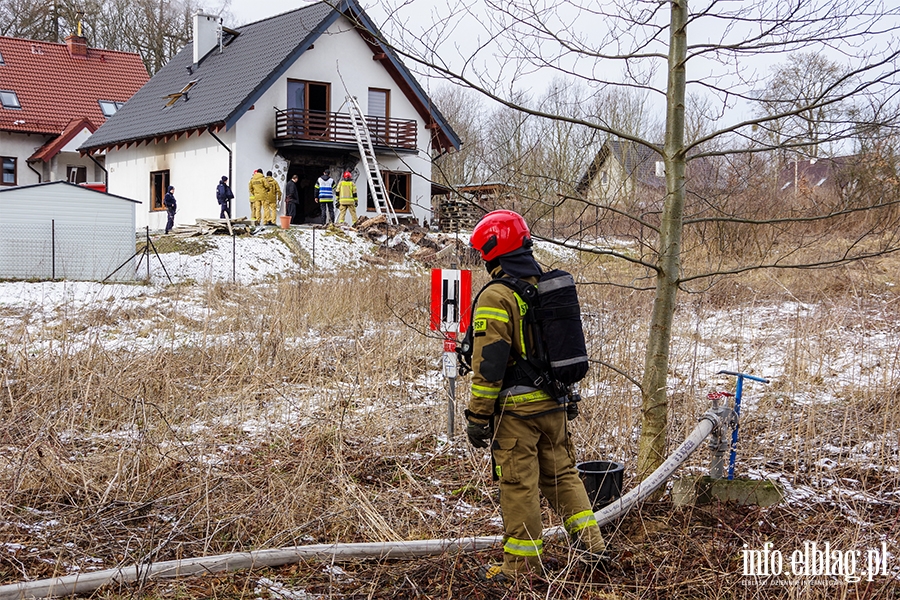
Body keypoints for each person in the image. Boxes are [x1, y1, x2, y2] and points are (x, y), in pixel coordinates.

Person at [464, 210, 607, 583]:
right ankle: (592, 546)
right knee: (563, 475)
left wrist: (478, 416)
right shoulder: (546, 286)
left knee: (519, 485)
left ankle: (522, 568)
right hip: (555, 403)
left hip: (516, 414)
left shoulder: (497, 295)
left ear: (493, 252)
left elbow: (489, 365)